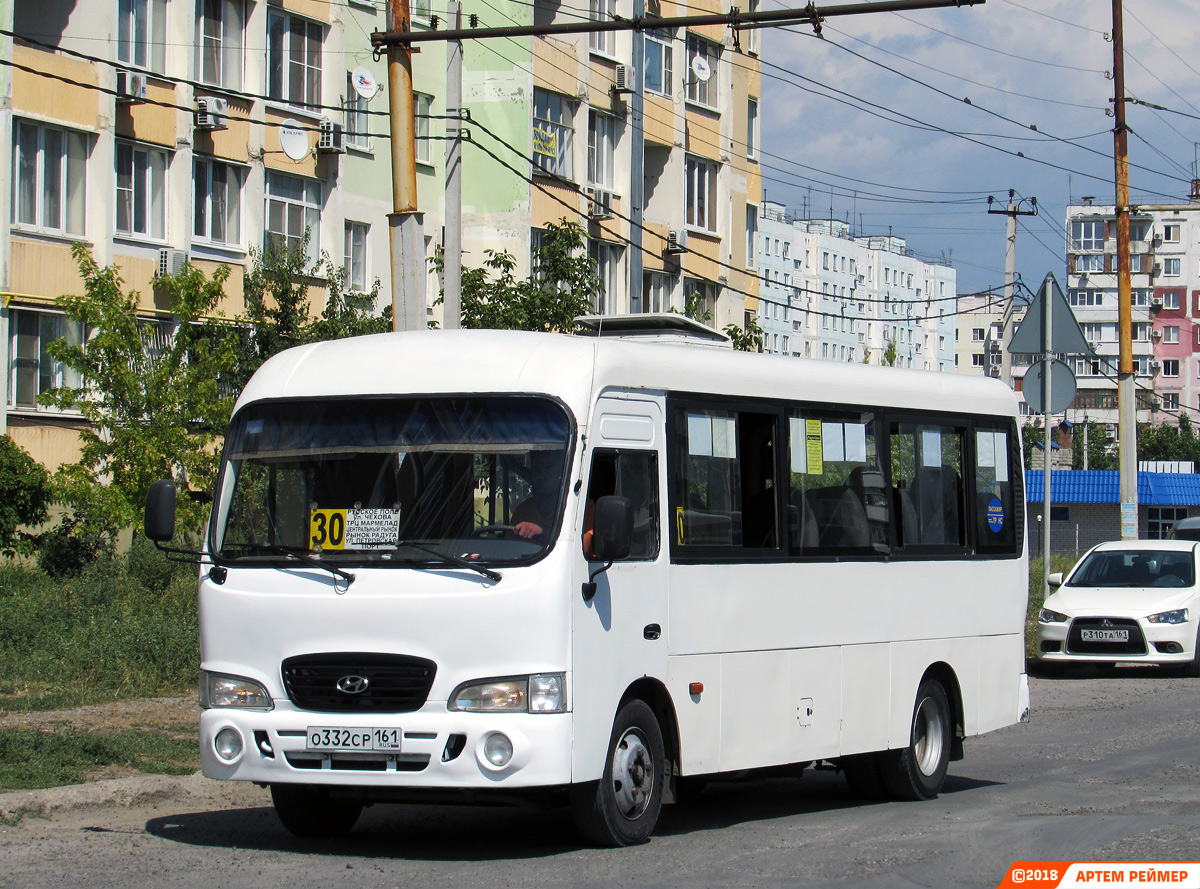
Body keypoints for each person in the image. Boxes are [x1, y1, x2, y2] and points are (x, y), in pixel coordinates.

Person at [511, 450, 564, 540]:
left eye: (548, 470)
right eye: (537, 470)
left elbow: (583, 545)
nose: (541, 477)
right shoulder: (524, 509)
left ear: (563, 473)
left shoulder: (581, 506)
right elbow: (508, 545)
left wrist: (543, 531)